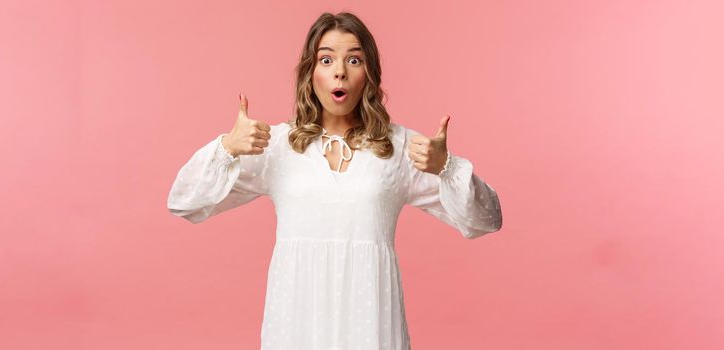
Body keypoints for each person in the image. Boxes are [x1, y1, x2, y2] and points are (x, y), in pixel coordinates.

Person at [167, 11, 502, 350]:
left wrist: (445, 166)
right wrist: (227, 148)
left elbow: (485, 220)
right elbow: (183, 202)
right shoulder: (278, 146)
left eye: (354, 60)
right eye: (326, 59)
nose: (340, 70)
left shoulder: (399, 148)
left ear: (369, 73)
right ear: (310, 73)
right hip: (296, 324)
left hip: (370, 325)